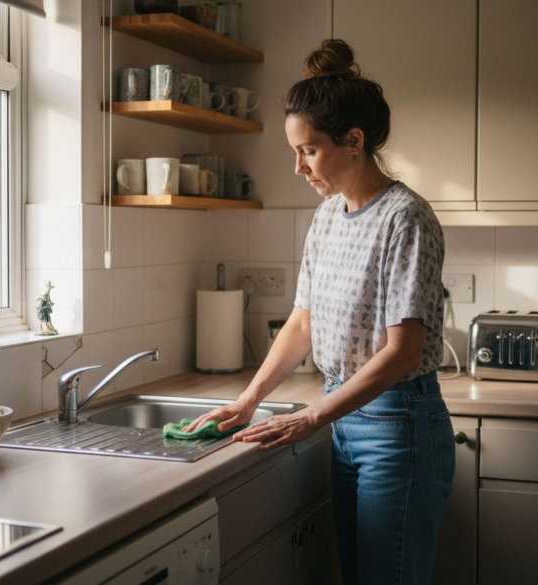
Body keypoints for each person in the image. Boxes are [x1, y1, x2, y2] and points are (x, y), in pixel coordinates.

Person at [184, 38, 453, 584]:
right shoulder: (328, 216)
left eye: (308, 150)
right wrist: (249, 400)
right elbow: (302, 322)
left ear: (353, 141)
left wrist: (310, 417)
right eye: (295, 152)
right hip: (344, 417)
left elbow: (403, 354)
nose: (298, 167)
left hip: (397, 425)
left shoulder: (406, 218)